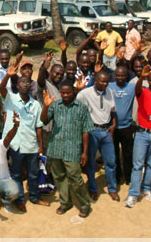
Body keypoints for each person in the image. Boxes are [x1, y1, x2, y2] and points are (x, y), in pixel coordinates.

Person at [41, 81, 94, 218]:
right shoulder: (55, 105)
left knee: (76, 178)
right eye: (62, 92)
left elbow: (86, 131)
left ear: (74, 92)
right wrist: (46, 107)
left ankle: (84, 204)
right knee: (59, 177)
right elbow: (44, 120)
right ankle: (65, 202)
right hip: (55, 148)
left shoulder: (82, 108)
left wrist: (84, 152)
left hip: (73, 149)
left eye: (68, 92)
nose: (65, 95)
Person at [0, 68, 48, 212]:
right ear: (18, 86)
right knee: (16, 174)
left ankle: (34, 197)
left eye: (28, 83)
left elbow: (39, 126)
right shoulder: (11, 99)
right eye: (22, 83)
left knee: (33, 173)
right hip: (16, 145)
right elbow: (1, 88)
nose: (26, 85)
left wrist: (41, 146)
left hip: (31, 145)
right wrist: (8, 75)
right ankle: (19, 199)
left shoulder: (36, 105)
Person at [125, 65, 151, 208]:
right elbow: (136, 89)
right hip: (142, 133)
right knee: (137, 165)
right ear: (148, 80)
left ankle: (146, 189)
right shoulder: (142, 92)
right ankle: (133, 194)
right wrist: (141, 77)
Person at [77, 71, 119, 202]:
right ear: (96, 81)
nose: (105, 84)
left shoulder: (109, 92)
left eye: (106, 81)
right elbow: (77, 107)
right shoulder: (85, 93)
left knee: (111, 162)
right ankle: (93, 189)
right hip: (92, 130)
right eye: (102, 81)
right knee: (90, 163)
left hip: (106, 131)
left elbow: (113, 111)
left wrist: (113, 125)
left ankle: (112, 189)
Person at [108, 65, 136, 185]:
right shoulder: (109, 87)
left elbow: (141, 87)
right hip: (113, 128)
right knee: (114, 154)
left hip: (127, 127)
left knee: (128, 154)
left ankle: (128, 177)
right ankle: (117, 176)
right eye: (118, 75)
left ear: (126, 76)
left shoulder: (131, 87)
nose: (120, 77)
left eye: (122, 75)